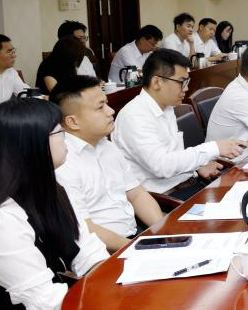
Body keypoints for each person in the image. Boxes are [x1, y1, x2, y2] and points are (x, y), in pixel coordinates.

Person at [0, 98, 107, 310]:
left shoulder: (50, 186)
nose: (66, 139)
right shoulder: (1, 219)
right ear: (33, 144)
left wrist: (111, 281)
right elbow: (45, 303)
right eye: (60, 132)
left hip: (63, 302)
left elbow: (86, 250)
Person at [112, 49, 247, 199]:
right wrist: (214, 148)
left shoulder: (167, 107)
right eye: (182, 82)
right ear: (157, 82)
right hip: (165, 198)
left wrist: (198, 167)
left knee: (244, 190)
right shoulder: (134, 117)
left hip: (188, 183)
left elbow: (174, 156)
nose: (186, 88)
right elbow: (162, 166)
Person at [51, 76, 164, 253]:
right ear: (73, 122)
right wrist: (138, 248)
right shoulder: (62, 162)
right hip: (102, 252)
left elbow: (136, 194)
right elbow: (85, 228)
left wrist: (164, 230)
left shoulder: (107, 146)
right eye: (100, 107)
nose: (111, 111)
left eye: (107, 103)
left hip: (134, 238)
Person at [0, 34, 28, 111]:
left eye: (13, 51)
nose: (14, 56)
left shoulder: (10, 71)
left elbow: (24, 92)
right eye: (9, 52)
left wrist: (43, 98)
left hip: (4, 114)